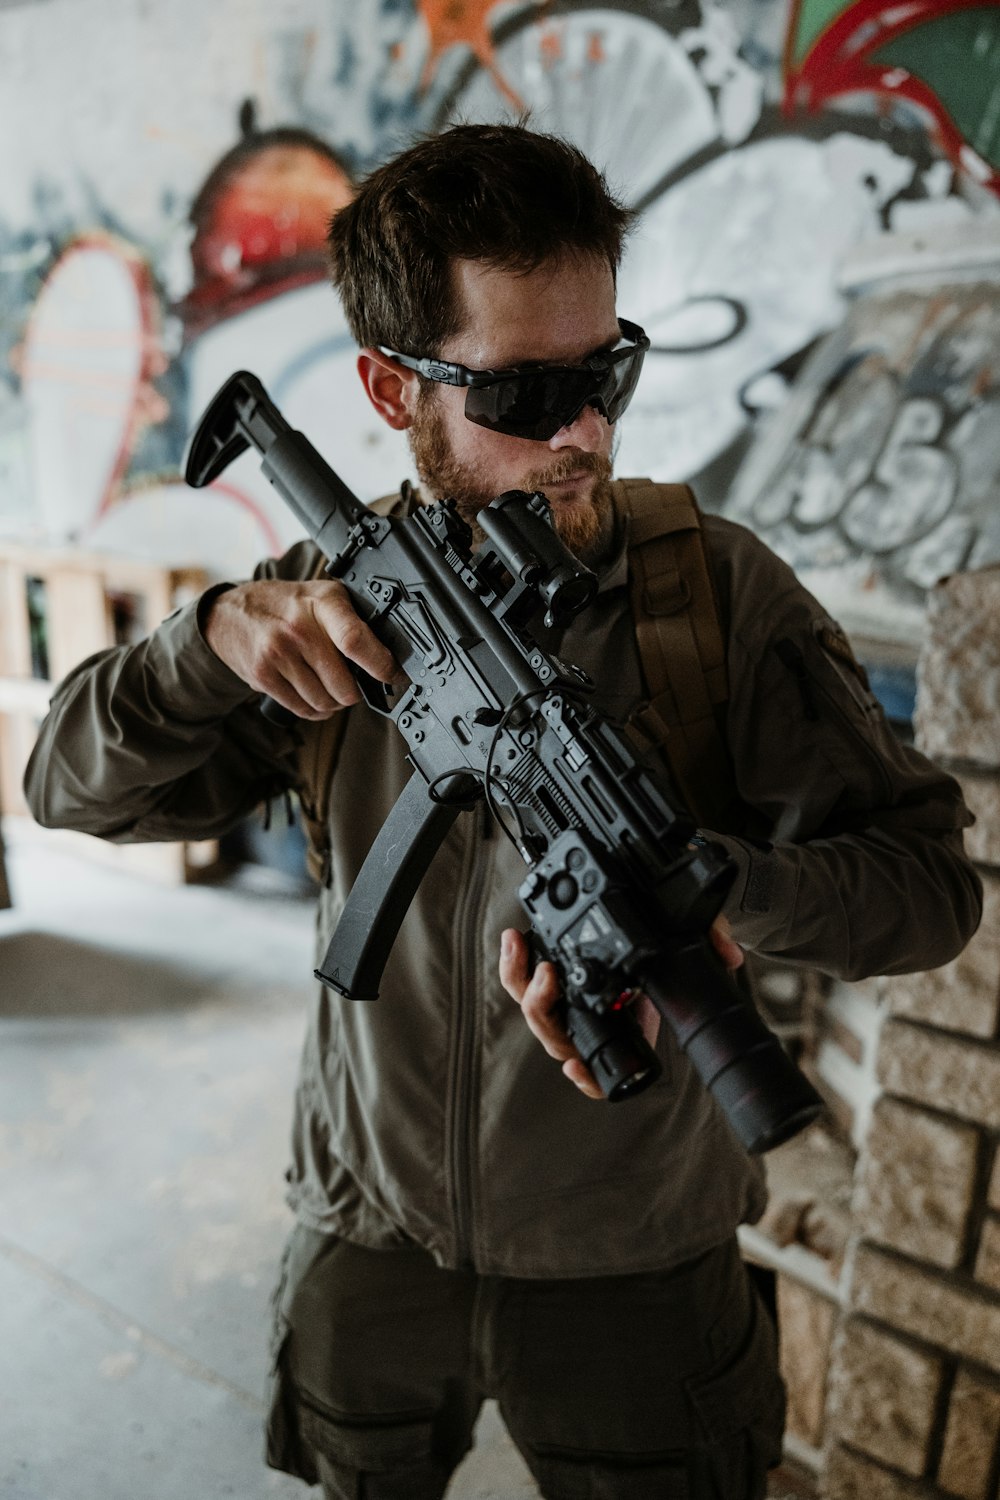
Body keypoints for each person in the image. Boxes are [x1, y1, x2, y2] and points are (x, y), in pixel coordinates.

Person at [24, 124, 981, 1500]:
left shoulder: (710, 596)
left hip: (634, 1270)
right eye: (528, 393)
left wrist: (721, 888)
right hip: (369, 1238)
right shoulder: (320, 609)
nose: (585, 429)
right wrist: (209, 637)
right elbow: (61, 784)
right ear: (388, 385)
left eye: (608, 371)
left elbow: (931, 893)